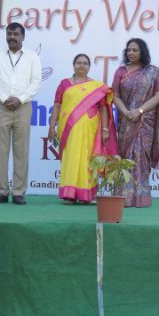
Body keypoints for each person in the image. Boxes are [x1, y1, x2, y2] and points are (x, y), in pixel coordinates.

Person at [47, 54, 118, 204]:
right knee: (71, 158)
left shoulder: (96, 87)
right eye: (78, 63)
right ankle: (69, 194)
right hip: (69, 128)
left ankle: (87, 195)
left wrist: (105, 129)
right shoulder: (64, 84)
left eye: (85, 63)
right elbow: (57, 105)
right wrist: (52, 125)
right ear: (73, 65)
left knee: (88, 159)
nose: (81, 65)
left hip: (90, 128)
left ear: (89, 67)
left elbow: (103, 109)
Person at [0, 22, 42, 205]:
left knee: (21, 150)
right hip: (1, 106)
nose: (12, 37)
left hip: (23, 106)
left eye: (16, 34)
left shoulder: (32, 57)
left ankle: (18, 192)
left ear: (23, 37)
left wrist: (20, 99)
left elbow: (36, 82)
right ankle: (1, 191)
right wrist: (4, 98)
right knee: (0, 150)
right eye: (9, 34)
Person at [111, 38, 159, 208]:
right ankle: (122, 196)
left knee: (141, 157)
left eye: (135, 50)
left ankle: (141, 197)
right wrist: (127, 112)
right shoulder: (121, 71)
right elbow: (115, 95)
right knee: (124, 158)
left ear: (142, 51)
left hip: (145, 122)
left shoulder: (154, 71)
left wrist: (140, 111)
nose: (131, 53)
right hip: (126, 121)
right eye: (128, 50)